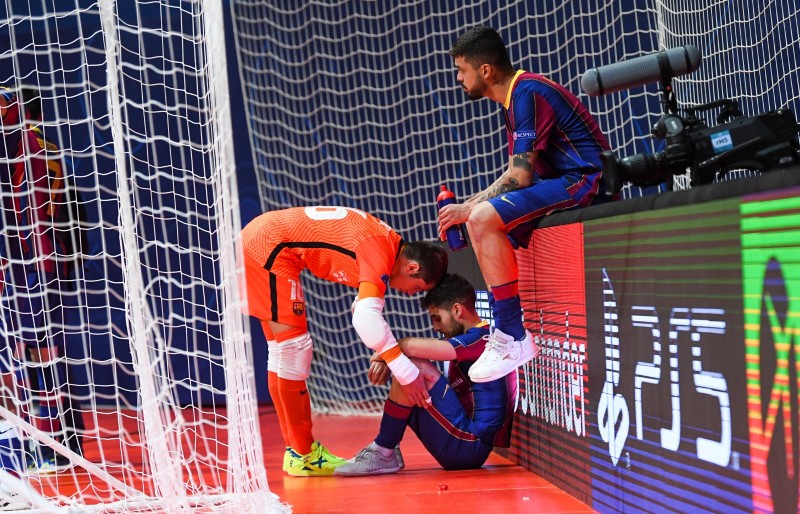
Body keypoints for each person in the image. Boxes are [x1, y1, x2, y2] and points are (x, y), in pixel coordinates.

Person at [437, 25, 611, 383]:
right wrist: (468, 208)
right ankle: (508, 333)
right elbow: (515, 176)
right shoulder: (514, 98)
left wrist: (468, 208)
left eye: (462, 70)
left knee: (482, 218)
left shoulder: (526, 93)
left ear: (485, 71)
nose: (458, 78)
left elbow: (519, 177)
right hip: (559, 181)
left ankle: (513, 335)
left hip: (585, 179)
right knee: (479, 219)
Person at [241, 206, 448, 476]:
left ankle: (299, 452)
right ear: (412, 267)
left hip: (266, 242)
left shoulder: (386, 248)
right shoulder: (380, 250)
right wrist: (406, 373)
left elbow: (361, 309)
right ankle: (303, 455)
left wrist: (386, 354)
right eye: (417, 288)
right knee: (292, 350)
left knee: (282, 351)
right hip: (269, 247)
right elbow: (364, 318)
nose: (411, 295)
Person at [334, 273, 517, 475]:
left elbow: (408, 346)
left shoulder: (481, 339)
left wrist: (384, 356)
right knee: (406, 370)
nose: (435, 327)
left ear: (457, 310)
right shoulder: (470, 340)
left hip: (470, 445)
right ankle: (387, 448)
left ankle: (384, 450)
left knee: (412, 367)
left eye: (437, 318)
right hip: (464, 441)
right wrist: (391, 358)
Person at [0, 86, 84, 472]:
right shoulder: (46, 146)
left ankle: (45, 448)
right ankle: (64, 442)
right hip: (46, 255)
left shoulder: (20, 144)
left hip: (24, 257)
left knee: (28, 355)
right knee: (43, 354)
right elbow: (72, 206)